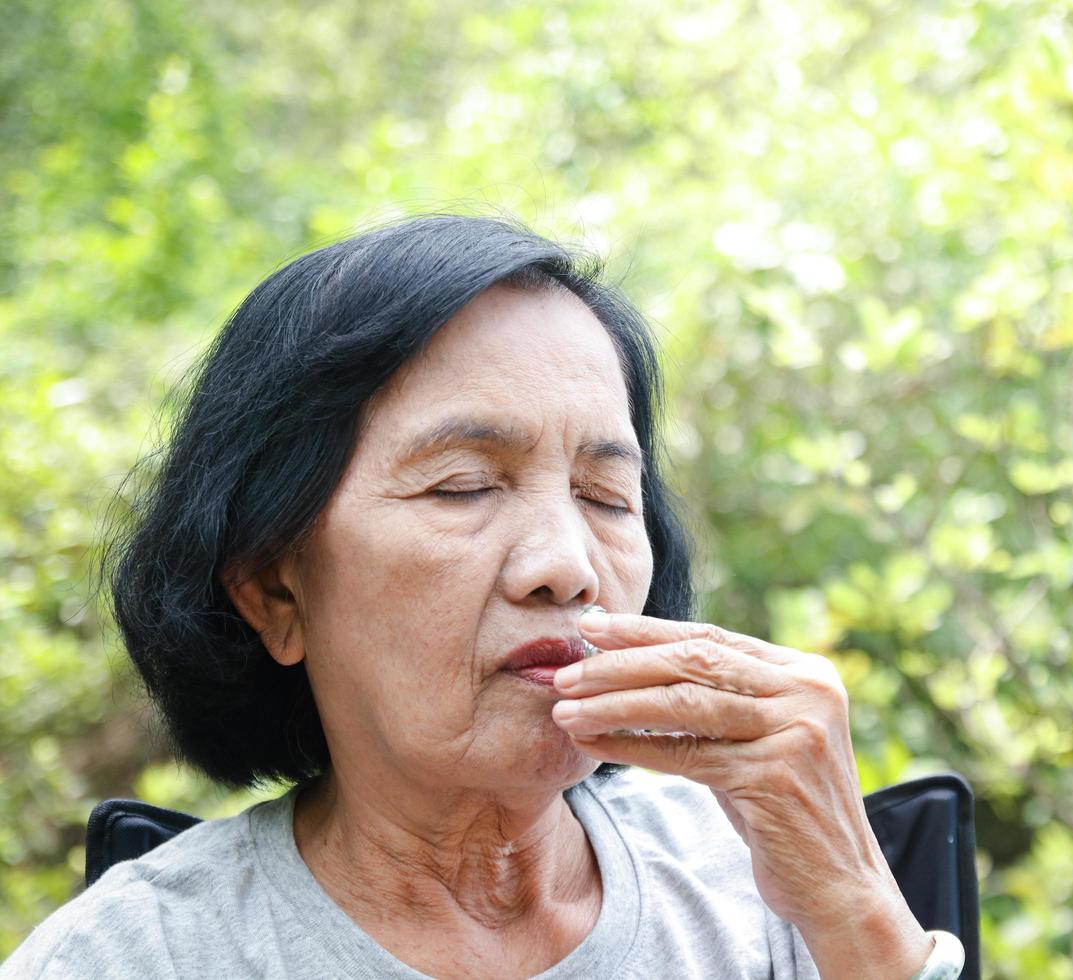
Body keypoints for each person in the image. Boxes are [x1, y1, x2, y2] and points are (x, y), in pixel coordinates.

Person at [1, 215, 962, 979]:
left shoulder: (765, 890)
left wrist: (857, 916)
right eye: (463, 485)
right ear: (272, 594)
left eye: (605, 497)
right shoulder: (133, 960)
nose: (567, 564)